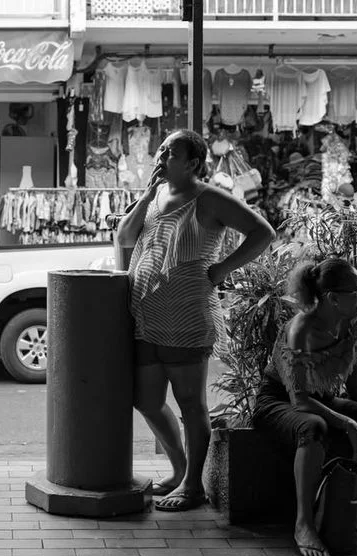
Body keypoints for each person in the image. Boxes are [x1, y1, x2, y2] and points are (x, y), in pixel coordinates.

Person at [116, 129, 275, 512]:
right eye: (161, 148)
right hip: (146, 314)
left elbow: (262, 232)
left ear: (192, 163)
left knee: (190, 404)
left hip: (186, 314)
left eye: (170, 152)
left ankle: (193, 486)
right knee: (147, 400)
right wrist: (146, 193)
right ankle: (180, 469)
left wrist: (222, 269)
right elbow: (124, 237)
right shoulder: (156, 195)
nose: (161, 155)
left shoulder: (210, 198)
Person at [252, 258, 357, 556]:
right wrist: (349, 423)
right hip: (279, 402)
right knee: (314, 426)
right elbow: (300, 400)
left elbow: (353, 363)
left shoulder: (350, 320)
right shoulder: (301, 329)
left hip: (323, 400)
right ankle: (304, 525)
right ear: (332, 298)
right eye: (356, 292)